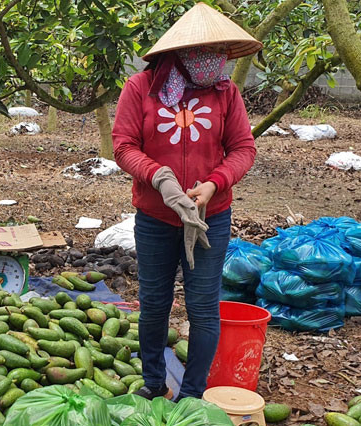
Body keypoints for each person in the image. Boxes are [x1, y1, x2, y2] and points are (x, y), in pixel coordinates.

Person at [112, 3, 261, 401]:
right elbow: (123, 145)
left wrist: (214, 184)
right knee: (154, 304)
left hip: (210, 216)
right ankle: (153, 383)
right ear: (181, 53)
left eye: (220, 52)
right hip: (155, 217)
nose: (216, 60)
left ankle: (192, 394)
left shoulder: (225, 93)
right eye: (206, 52)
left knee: (203, 307)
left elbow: (243, 149)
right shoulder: (140, 89)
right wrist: (159, 178)